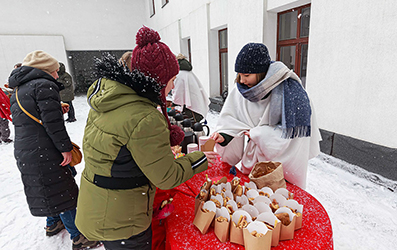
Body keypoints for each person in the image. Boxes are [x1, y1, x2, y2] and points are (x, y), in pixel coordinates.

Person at [74, 26, 218, 250]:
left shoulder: (112, 100)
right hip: (123, 219)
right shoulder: (144, 117)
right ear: (159, 80)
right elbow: (167, 177)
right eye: (172, 79)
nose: (173, 86)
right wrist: (198, 159)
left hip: (101, 206)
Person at [8, 50, 101, 250]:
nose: (57, 76)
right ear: (44, 71)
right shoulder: (44, 85)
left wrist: (56, 107)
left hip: (26, 150)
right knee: (62, 191)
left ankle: (52, 224)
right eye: (54, 71)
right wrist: (65, 148)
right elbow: (53, 125)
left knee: (47, 187)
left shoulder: (19, 89)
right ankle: (79, 237)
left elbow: (30, 117)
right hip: (45, 148)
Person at [210, 43, 321, 189]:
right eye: (239, 75)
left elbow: (294, 137)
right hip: (251, 165)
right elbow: (233, 119)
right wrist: (225, 136)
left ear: (261, 72)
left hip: (279, 172)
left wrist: (259, 134)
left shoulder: (291, 93)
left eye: (247, 75)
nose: (241, 81)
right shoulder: (242, 90)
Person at [172, 53, 210, 122]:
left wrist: (172, 104)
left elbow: (178, 94)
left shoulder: (179, 75)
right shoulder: (186, 72)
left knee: (187, 129)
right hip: (197, 107)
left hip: (192, 110)